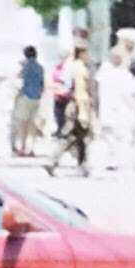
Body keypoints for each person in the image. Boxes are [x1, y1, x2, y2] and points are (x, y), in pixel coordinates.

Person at [45, 43, 94, 178]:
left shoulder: (71, 67)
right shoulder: (80, 68)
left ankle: (82, 165)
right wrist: (83, 110)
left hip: (73, 105)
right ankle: (54, 160)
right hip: (79, 106)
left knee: (78, 137)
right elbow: (80, 89)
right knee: (73, 136)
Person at [95, 44, 135, 171]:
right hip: (121, 111)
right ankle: (119, 160)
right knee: (122, 137)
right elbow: (129, 95)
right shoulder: (125, 75)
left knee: (109, 138)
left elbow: (97, 89)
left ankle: (110, 160)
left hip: (106, 110)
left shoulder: (103, 72)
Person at [12, 45, 45, 156]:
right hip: (37, 98)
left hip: (26, 97)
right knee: (33, 124)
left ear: (25, 55)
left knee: (23, 124)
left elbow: (20, 80)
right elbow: (42, 84)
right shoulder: (40, 67)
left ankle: (22, 148)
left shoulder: (26, 67)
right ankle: (31, 149)